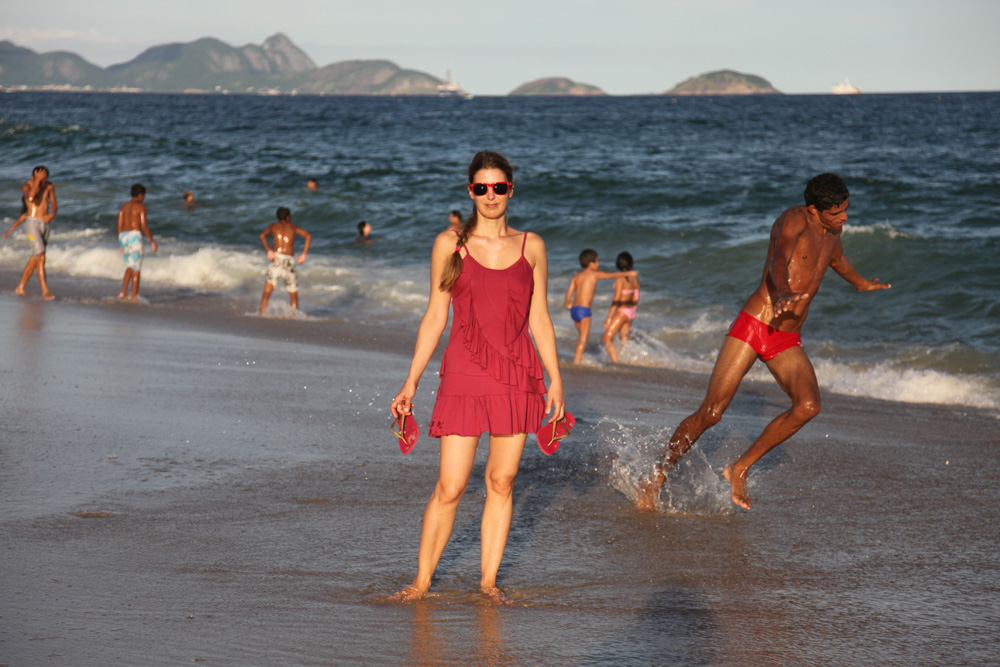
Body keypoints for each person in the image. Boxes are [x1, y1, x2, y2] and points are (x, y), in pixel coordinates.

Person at [639, 174, 891, 511]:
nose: (844, 217)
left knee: (808, 406)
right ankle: (656, 475)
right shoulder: (793, 220)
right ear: (814, 210)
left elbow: (835, 260)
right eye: (836, 212)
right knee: (712, 413)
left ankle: (738, 468)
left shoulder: (833, 230)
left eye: (845, 210)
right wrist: (783, 290)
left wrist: (861, 283)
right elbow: (778, 257)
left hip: (786, 337)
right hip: (757, 323)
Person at [389, 151, 565, 604]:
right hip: (464, 373)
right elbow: (434, 316)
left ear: (511, 189)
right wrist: (411, 382)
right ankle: (421, 582)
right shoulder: (450, 244)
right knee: (451, 485)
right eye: (482, 188)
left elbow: (540, 318)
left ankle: (488, 583)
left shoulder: (533, 246)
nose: (491, 195)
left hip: (516, 375)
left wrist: (556, 379)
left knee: (502, 481)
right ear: (471, 191)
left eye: (499, 187)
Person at [564, 249, 637, 364]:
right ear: (591, 263)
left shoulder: (577, 276)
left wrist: (567, 303)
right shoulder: (594, 274)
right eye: (597, 261)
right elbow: (611, 275)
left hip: (574, 310)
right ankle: (576, 363)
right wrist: (628, 273)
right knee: (583, 339)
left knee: (582, 336)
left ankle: (581, 358)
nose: (598, 264)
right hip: (584, 310)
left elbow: (570, 291)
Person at [8, 166, 57, 300]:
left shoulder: (49, 186)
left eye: (44, 179)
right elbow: (30, 198)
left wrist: (53, 214)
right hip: (31, 223)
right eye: (39, 179)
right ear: (32, 178)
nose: (42, 182)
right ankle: (45, 291)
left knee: (36, 258)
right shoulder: (27, 186)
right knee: (41, 256)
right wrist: (37, 182)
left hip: (45, 223)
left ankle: (20, 287)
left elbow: (53, 202)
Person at [259, 207, 312, 315]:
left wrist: (269, 250)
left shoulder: (273, 226)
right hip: (289, 261)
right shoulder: (293, 227)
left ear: (277, 217)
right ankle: (294, 316)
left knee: (268, 290)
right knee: (292, 292)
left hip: (276, 259)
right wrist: (304, 254)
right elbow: (308, 236)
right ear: (289, 218)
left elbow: (262, 236)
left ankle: (262, 313)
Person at [117, 183, 158, 302]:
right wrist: (152, 240)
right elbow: (143, 225)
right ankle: (134, 296)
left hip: (123, 236)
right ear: (140, 195)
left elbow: (119, 224)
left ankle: (123, 292)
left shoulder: (124, 206)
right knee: (136, 269)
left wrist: (120, 241)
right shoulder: (141, 207)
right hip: (134, 237)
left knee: (129, 266)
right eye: (144, 195)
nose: (144, 198)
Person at [601, 251, 640, 364]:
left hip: (623, 311)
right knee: (624, 340)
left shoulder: (620, 279)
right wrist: (632, 312)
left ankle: (616, 362)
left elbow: (616, 299)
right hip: (632, 311)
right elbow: (636, 297)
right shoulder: (634, 279)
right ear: (631, 264)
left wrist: (608, 317)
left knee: (606, 338)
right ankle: (627, 363)